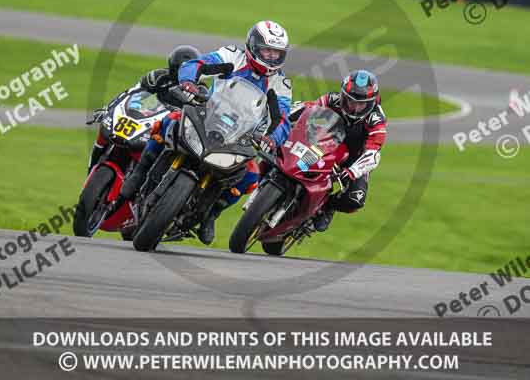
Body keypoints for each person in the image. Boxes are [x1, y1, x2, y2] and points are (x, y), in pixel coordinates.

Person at [110, 21, 292, 244]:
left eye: (277, 53)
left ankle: (210, 214)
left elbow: (281, 118)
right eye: (267, 50)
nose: (272, 57)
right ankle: (141, 171)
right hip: (208, 114)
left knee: (251, 175)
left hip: (240, 133)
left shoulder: (281, 84)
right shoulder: (232, 56)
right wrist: (188, 82)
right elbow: (199, 63)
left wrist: (271, 139)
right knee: (170, 120)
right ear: (253, 46)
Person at [295, 69, 387, 232]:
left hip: (354, 158)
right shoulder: (332, 100)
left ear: (372, 102)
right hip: (324, 145)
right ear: (343, 95)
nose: (355, 108)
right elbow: (308, 109)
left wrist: (352, 171)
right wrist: (287, 116)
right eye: (351, 101)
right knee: (299, 164)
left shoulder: (377, 119)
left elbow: (374, 153)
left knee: (355, 199)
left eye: (361, 104)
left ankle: (327, 206)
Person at [86, 45, 200, 175]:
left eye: (187, 71)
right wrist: (110, 109)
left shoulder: (200, 91)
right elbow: (131, 93)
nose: (183, 74)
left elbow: (199, 118)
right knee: (104, 133)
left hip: (171, 131)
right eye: (180, 70)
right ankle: (91, 167)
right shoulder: (158, 76)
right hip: (149, 116)